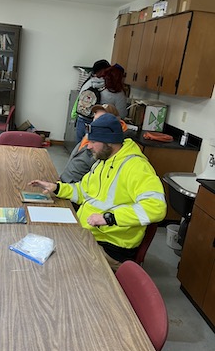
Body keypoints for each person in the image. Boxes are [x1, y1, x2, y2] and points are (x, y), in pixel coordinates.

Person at [29, 113, 166, 271]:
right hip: (88, 234)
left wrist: (109, 218)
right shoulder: (104, 161)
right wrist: (57, 187)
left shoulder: (136, 167)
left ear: (109, 142)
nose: (88, 146)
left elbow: (156, 207)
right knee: (39, 243)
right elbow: (83, 191)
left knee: (52, 266)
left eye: (93, 142)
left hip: (110, 246)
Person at [60, 104, 126, 183]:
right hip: (66, 183)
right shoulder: (88, 137)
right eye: (94, 119)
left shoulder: (108, 147)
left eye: (100, 120)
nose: (95, 124)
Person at [73, 59, 110, 143]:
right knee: (89, 148)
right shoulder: (100, 83)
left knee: (80, 147)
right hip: (91, 120)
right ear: (102, 71)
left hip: (81, 118)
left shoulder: (87, 81)